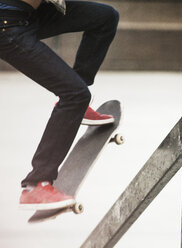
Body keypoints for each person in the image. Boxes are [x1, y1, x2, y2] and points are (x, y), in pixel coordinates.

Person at [0, 0, 119, 210]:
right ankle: (35, 186)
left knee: (105, 17)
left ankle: (79, 102)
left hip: (32, 14)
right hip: (7, 24)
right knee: (75, 95)